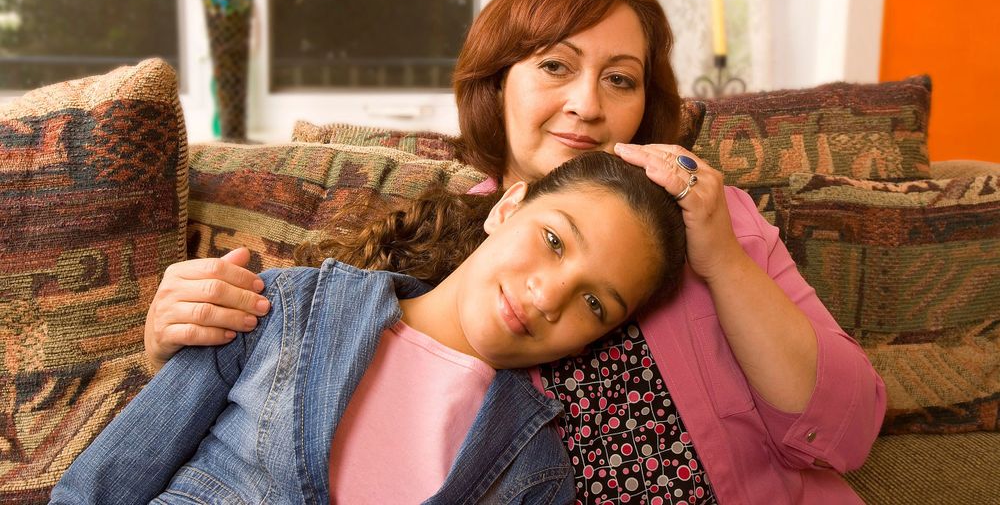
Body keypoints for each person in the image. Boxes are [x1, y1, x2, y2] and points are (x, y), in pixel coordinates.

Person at [142, 0, 887, 503]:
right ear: (500, 84)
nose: (587, 105)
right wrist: (174, 341)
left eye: (620, 79)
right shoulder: (435, 234)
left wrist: (722, 259)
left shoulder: (715, 219)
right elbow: (291, 398)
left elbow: (846, 432)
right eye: (555, 65)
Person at [51, 152, 687, 504]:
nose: (549, 295)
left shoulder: (537, 477)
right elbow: (105, 481)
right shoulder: (280, 307)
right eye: (552, 240)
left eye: (596, 304)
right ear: (507, 206)